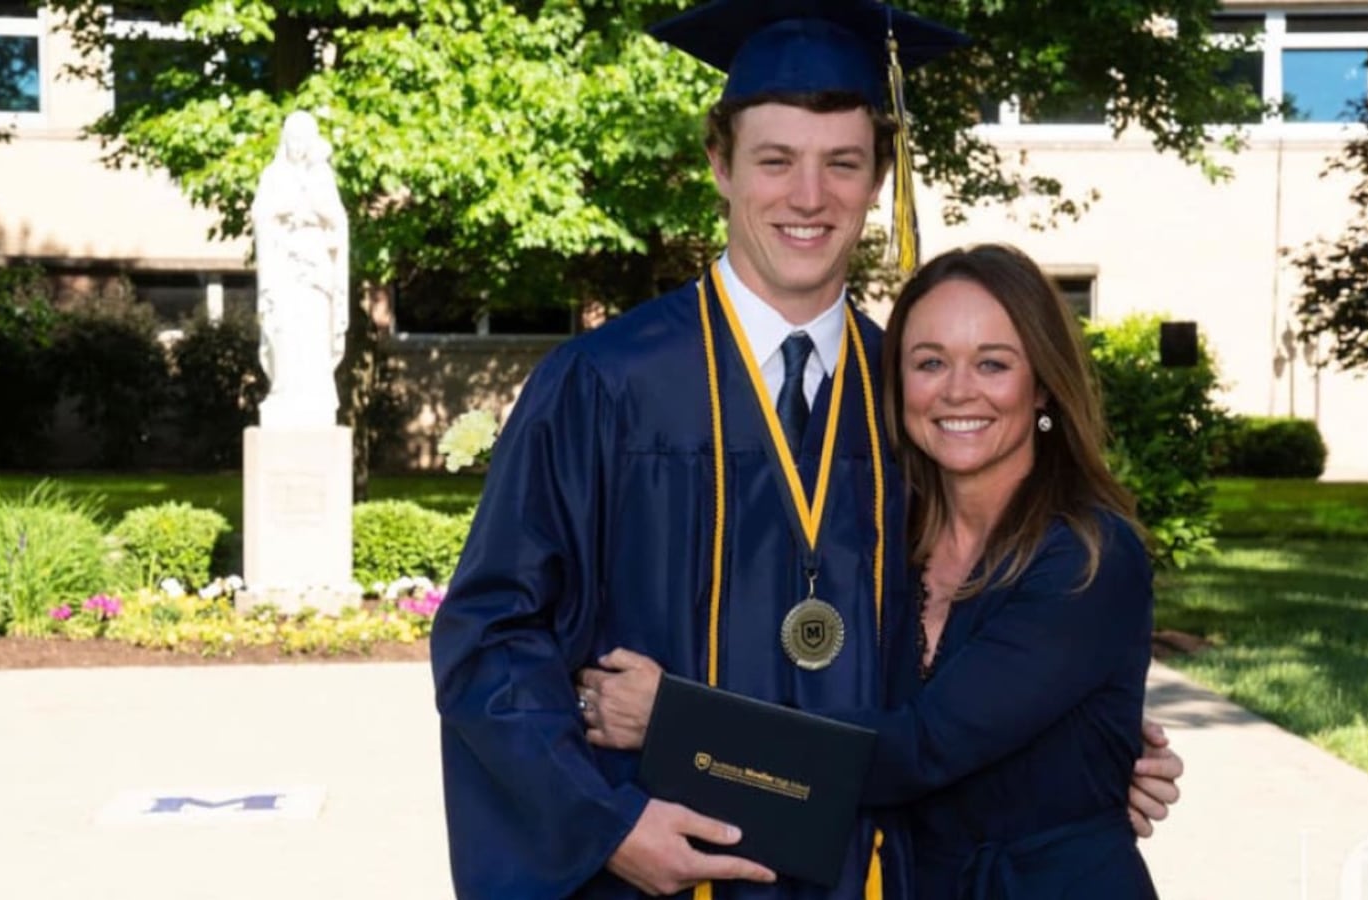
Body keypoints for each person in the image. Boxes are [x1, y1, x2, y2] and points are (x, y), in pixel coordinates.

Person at [430, 2, 1180, 898]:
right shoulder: (605, 385)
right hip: (661, 874)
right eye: (776, 161)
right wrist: (607, 827)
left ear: (878, 179)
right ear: (720, 163)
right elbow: (489, 637)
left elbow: (974, 660)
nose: (809, 197)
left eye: (843, 164)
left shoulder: (913, 396)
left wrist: (1087, 758)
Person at [580, 243, 1161, 897]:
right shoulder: (886, 541)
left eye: (993, 364)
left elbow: (922, 746)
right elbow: (824, 705)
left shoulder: (1087, 558)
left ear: (1044, 385)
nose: (957, 390)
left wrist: (674, 723)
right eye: (929, 362)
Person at [250, 109, 350, 428]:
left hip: (315, 266)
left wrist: (316, 214)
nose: (297, 145)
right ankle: (284, 390)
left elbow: (338, 222)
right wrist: (284, 210)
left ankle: (315, 393)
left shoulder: (321, 177)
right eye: (292, 138)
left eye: (303, 139)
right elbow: (261, 216)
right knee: (283, 327)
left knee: (313, 329)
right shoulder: (273, 176)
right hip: (283, 263)